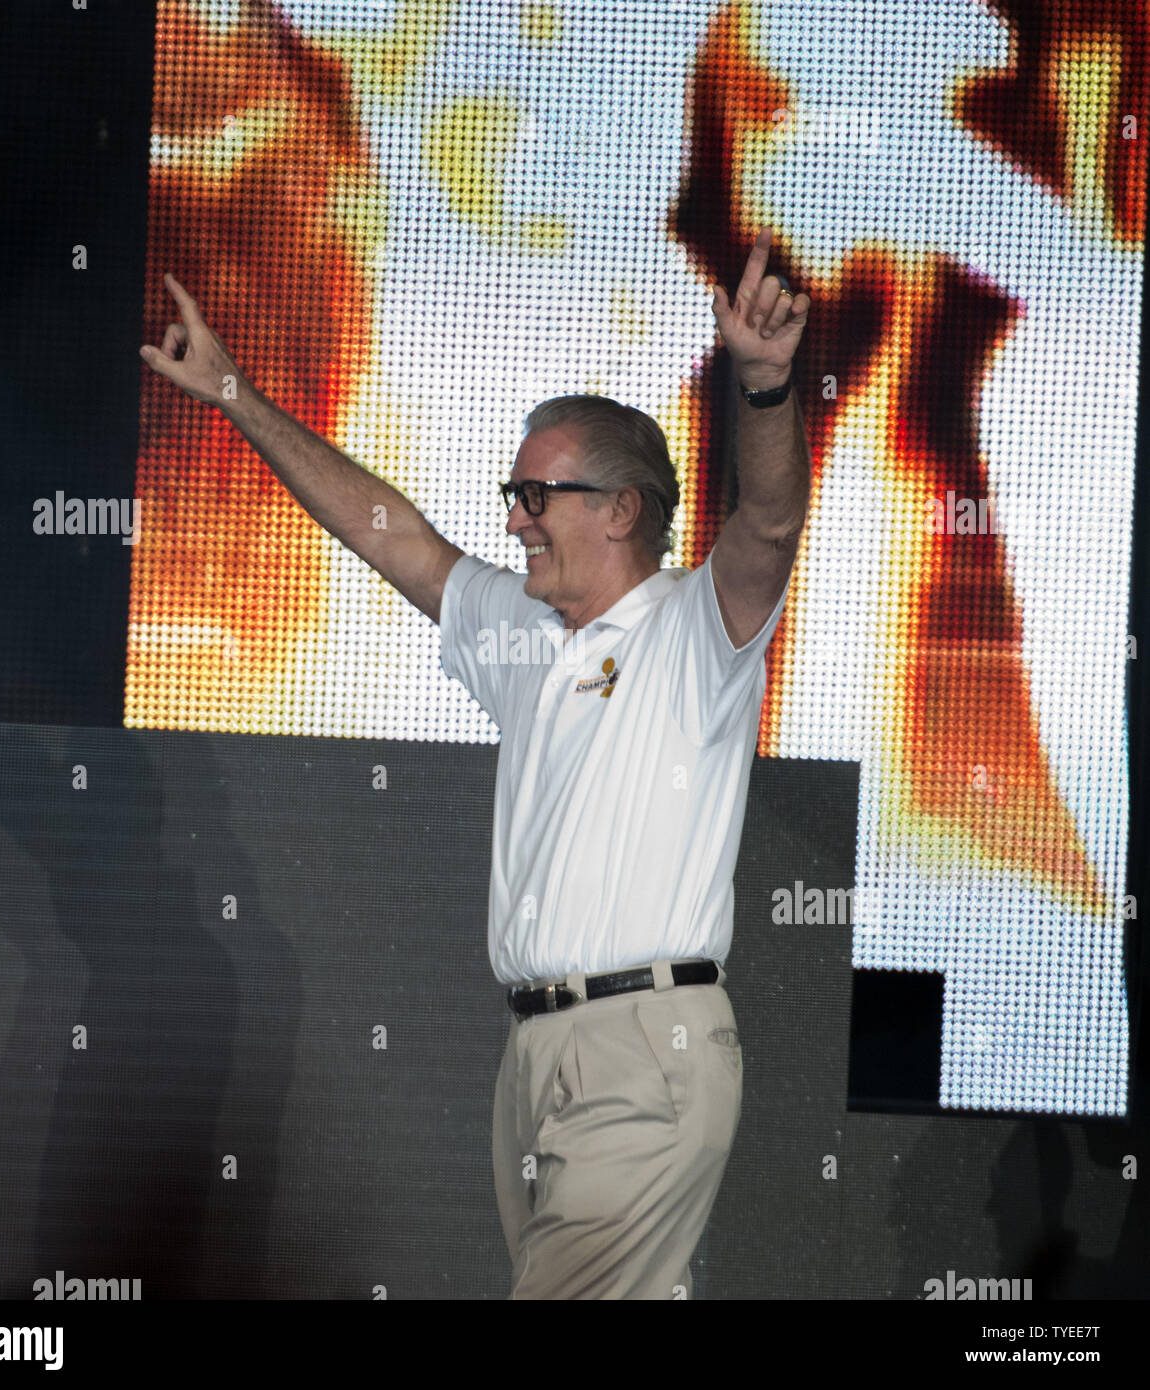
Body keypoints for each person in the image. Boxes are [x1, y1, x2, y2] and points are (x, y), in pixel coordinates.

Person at [141, 227, 811, 1298]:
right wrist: (233, 394)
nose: (512, 519)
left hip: (642, 1056)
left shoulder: (695, 629)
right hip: (535, 1060)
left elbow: (769, 522)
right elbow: (387, 533)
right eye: (513, 493)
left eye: (536, 495)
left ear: (621, 511)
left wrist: (765, 387)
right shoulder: (518, 634)